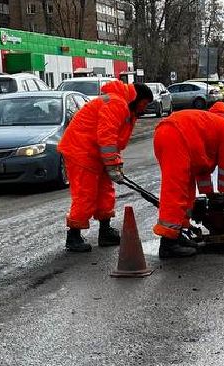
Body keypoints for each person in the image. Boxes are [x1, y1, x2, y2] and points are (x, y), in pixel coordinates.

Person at [58, 79, 154, 252]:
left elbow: (113, 141)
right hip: (81, 151)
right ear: (138, 98)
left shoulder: (125, 107)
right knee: (85, 194)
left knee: (105, 192)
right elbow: (107, 136)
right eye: (145, 104)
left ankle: (105, 231)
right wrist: (112, 164)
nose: (144, 109)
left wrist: (114, 164)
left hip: (95, 152)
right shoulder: (117, 104)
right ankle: (73, 236)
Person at [150, 102, 224, 259]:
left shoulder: (209, 124)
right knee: (175, 190)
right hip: (176, 136)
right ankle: (168, 243)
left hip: (167, 134)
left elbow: (202, 168)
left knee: (186, 190)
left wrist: (209, 193)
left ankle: (178, 234)